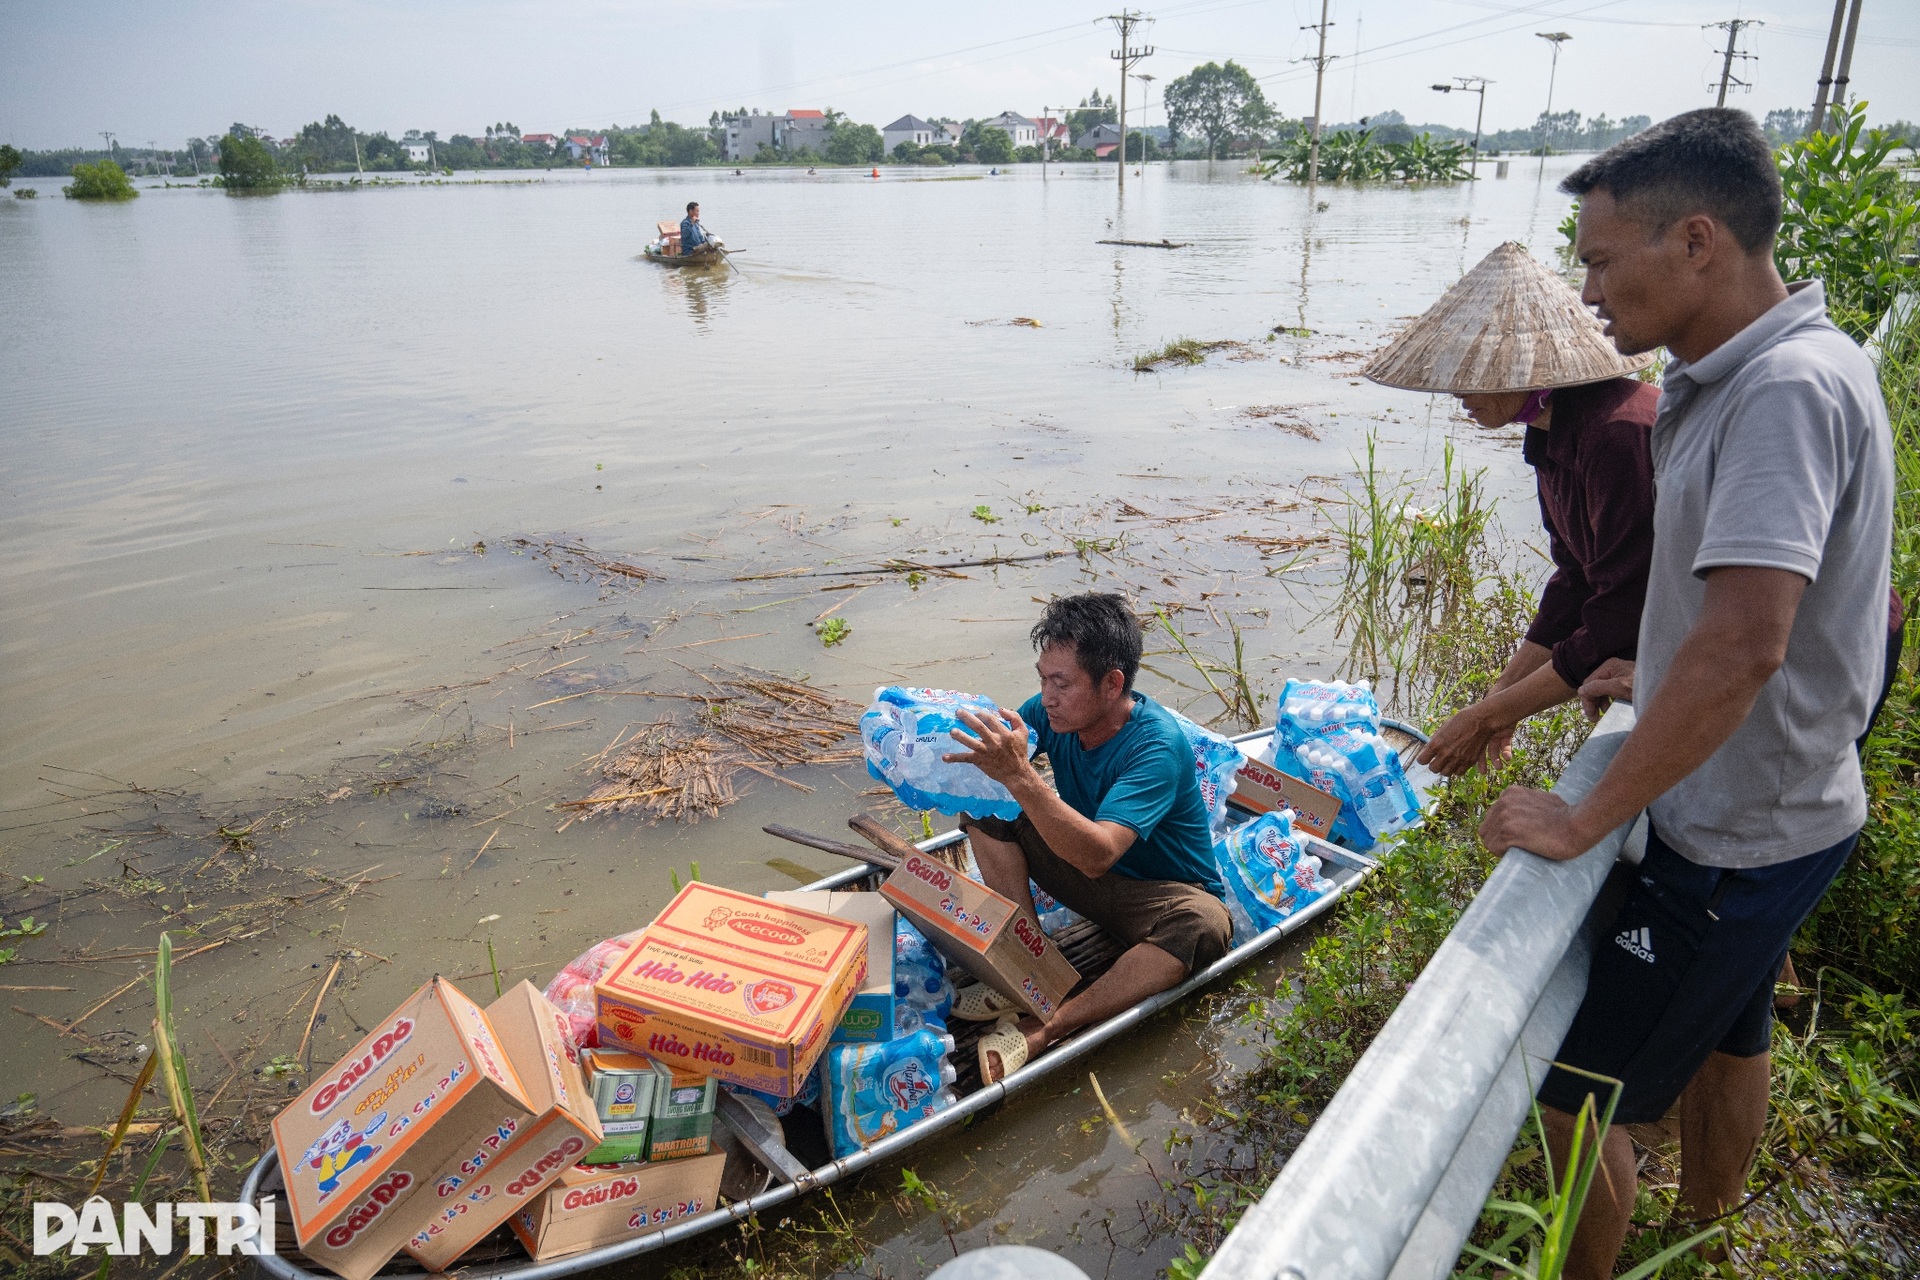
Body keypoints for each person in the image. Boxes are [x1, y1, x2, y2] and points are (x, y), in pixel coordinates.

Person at [1478, 109, 1893, 1280]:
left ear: (1698, 241)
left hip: (1739, 830)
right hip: (1782, 803)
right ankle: (1707, 1235)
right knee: (1731, 1032)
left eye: (1604, 260)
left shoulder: (1783, 392)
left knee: (1577, 1098)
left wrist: (1579, 814)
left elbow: (1746, 643)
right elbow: (1725, 616)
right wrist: (1643, 665)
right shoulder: (1752, 373)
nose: (1590, 290)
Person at [1360, 243, 1661, 776]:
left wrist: (1485, 717)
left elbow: (1620, 612)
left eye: (1474, 374)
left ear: (1530, 372)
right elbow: (1575, 581)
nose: (1457, 393)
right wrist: (1501, 701)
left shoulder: (1618, 434)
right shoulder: (1552, 437)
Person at [941, 593, 1231, 1084]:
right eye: (1042, 679)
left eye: (1063, 683)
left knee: (1205, 925)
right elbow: (997, 767)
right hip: (1087, 876)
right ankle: (1028, 967)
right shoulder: (1052, 715)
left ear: (1112, 683)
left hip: (1153, 896)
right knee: (983, 806)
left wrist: (1019, 776)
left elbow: (1099, 855)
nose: (1047, 696)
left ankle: (1052, 1023)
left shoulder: (1155, 745)